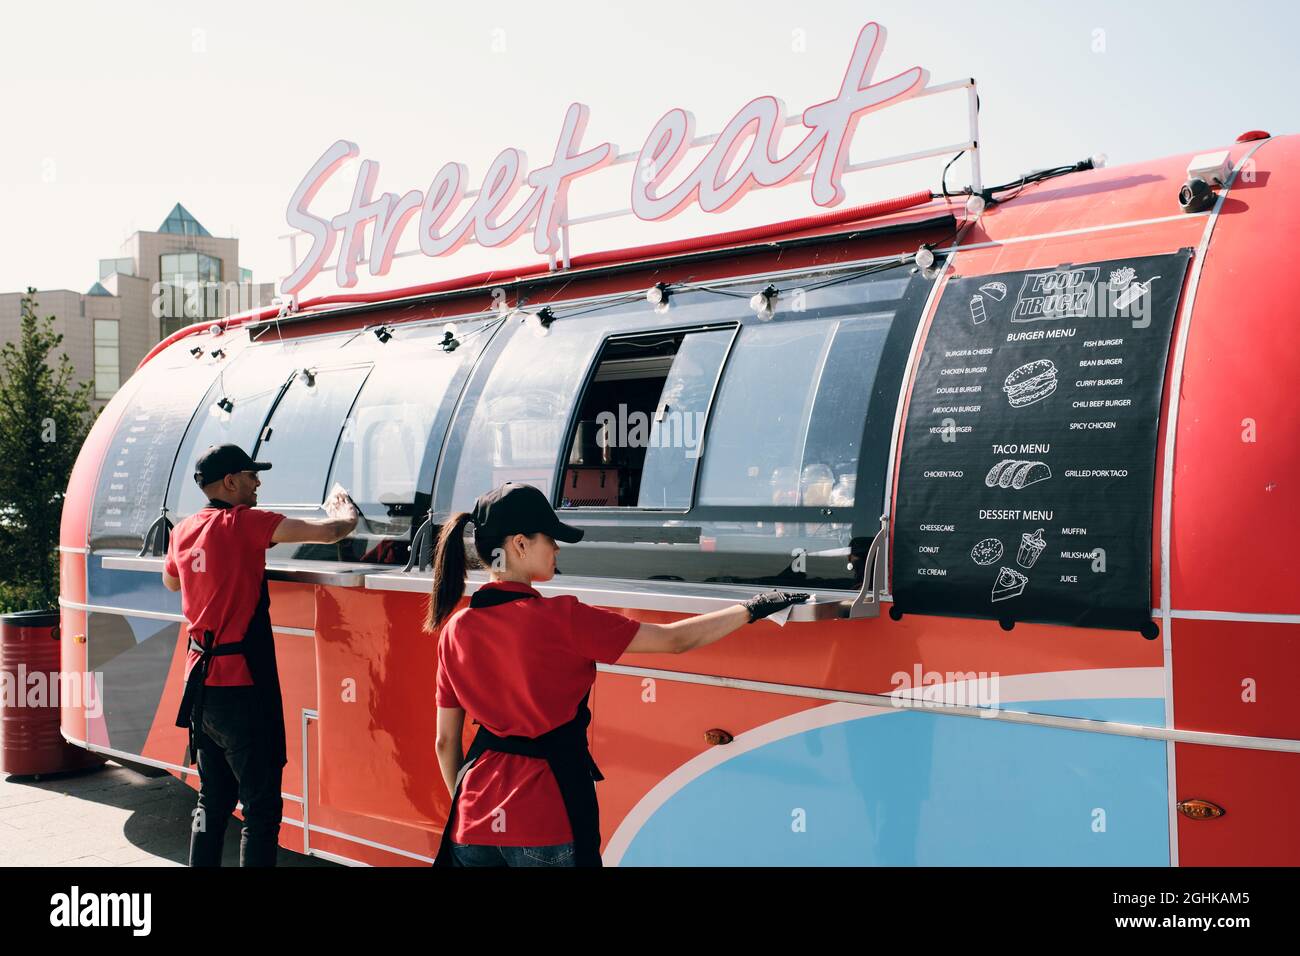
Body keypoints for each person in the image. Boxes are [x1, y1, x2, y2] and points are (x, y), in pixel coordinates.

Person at [429, 480, 807, 867]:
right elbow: (674, 640)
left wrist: (471, 804)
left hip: (471, 822)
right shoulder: (563, 619)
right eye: (551, 538)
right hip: (545, 821)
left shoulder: (456, 629)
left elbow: (445, 741)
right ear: (520, 544)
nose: (557, 548)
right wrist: (753, 608)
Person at [161, 443, 358, 866]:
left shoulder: (183, 529)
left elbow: (172, 583)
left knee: (212, 799)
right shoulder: (243, 524)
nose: (258, 482)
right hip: (241, 687)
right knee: (262, 809)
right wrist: (345, 511)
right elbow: (328, 533)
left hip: (199, 685)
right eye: (251, 475)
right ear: (230, 482)